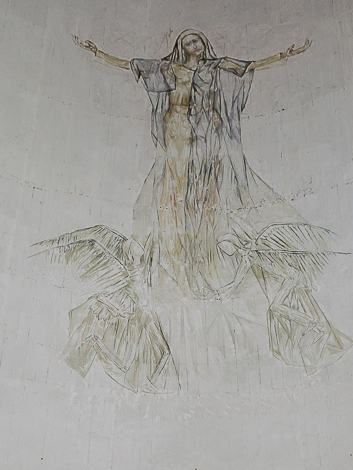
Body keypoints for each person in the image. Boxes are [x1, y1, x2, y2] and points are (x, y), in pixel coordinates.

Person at [73, 30, 311, 298]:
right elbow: (132, 65)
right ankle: (169, 243)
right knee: (173, 183)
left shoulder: (216, 66)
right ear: (180, 47)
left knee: (207, 181)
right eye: (187, 42)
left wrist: (284, 56)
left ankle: (211, 238)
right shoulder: (169, 68)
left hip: (205, 132)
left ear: (203, 43)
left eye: (196, 40)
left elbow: (250, 66)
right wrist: (98, 54)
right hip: (176, 129)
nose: (193, 45)